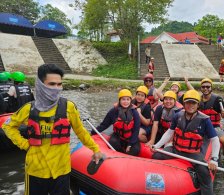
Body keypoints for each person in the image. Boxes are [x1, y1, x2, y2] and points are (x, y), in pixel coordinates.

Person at [2, 63, 103, 195]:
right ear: (41, 85)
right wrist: (24, 144)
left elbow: (81, 131)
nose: (56, 88)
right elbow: (8, 126)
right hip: (35, 170)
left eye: (59, 84)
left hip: (62, 170)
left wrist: (95, 149)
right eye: (51, 84)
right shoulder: (28, 108)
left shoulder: (69, 107)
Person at [152, 89, 220, 195]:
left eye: (193, 103)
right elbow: (170, 132)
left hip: (193, 154)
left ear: (198, 105)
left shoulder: (205, 120)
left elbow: (215, 140)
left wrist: (214, 159)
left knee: (206, 176)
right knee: (156, 156)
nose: (190, 105)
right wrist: (157, 145)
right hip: (176, 149)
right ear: (184, 104)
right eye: (188, 102)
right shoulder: (177, 115)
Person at [199, 78, 224, 170]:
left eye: (208, 87)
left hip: (214, 126)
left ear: (211, 88)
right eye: (203, 87)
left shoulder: (217, 99)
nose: (205, 89)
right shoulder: (198, 99)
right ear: (201, 88)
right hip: (201, 126)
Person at [94, 89, 141, 156]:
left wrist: (130, 144)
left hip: (131, 137)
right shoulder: (113, 111)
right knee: (113, 143)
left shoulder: (134, 112)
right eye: (123, 99)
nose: (126, 102)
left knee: (135, 150)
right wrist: (93, 132)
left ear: (131, 101)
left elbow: (136, 130)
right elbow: (104, 125)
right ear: (119, 100)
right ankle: (120, 154)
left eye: (128, 99)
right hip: (118, 136)